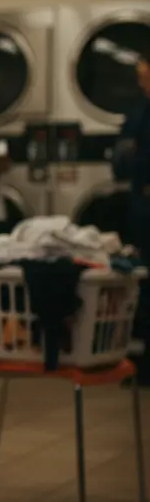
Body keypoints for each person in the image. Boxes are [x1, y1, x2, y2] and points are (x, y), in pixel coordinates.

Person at [112, 54, 150, 386]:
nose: (142, 82)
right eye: (140, 76)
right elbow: (122, 158)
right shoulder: (138, 110)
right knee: (143, 281)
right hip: (142, 206)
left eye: (146, 75)